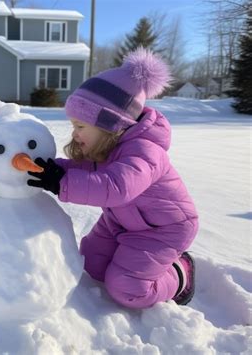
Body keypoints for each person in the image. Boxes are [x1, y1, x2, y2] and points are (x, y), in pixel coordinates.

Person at [27, 48, 198, 309]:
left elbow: (116, 187)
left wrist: (61, 182)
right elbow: (83, 169)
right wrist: (48, 170)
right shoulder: (106, 147)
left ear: (110, 124)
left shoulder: (145, 151)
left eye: (80, 126)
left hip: (163, 229)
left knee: (127, 288)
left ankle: (179, 272)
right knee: (91, 262)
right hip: (122, 221)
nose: (74, 134)